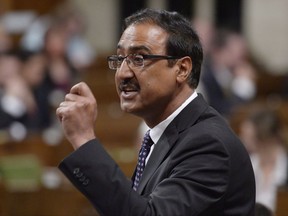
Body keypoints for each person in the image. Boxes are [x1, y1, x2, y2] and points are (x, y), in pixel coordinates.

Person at [56, 9, 255, 215]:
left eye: (139, 58)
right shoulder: (167, 134)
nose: (122, 73)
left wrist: (84, 139)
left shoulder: (208, 144)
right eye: (120, 59)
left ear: (182, 69)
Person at [239, 106, 288, 212]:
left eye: (250, 138)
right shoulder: (248, 164)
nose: (242, 141)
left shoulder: (284, 164)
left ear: (264, 137)